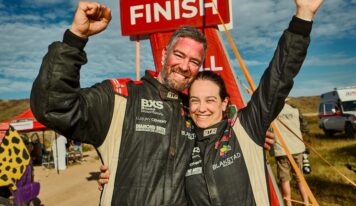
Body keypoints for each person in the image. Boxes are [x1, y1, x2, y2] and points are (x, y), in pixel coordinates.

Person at [31, 0, 323, 205]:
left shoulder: (205, 119)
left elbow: (277, 81)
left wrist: (303, 18)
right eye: (179, 55)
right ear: (163, 56)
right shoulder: (120, 97)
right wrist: (75, 38)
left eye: (194, 61)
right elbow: (53, 105)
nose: (185, 65)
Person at [272, 102, 310, 206]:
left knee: (285, 180)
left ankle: (288, 204)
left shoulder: (271, 110)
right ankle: (306, 203)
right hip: (297, 148)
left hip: (281, 150)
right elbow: (305, 128)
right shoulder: (295, 109)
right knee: (300, 179)